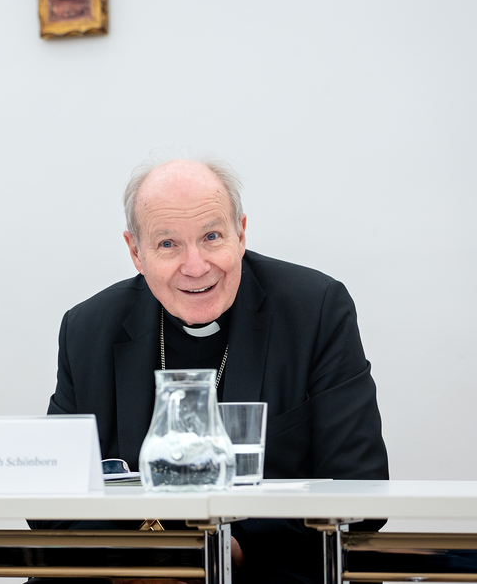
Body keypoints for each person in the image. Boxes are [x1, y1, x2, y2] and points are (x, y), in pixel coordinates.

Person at [40, 157, 388, 584]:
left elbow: (362, 492)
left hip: (263, 572)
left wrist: (225, 551)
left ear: (240, 234)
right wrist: (131, 559)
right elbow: (53, 504)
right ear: (136, 252)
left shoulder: (315, 310)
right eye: (168, 244)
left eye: (211, 237)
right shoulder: (88, 328)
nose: (196, 266)